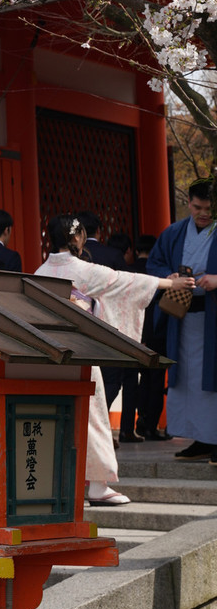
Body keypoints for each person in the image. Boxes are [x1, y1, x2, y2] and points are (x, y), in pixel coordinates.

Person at [37, 215, 187, 505]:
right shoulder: (82, 269)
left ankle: (56, 486)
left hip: (49, 356)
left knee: (56, 417)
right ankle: (97, 485)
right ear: (76, 237)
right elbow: (125, 282)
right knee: (92, 417)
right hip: (79, 354)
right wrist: (168, 282)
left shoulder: (41, 270)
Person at [146, 181, 217, 461]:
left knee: (211, 377)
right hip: (183, 317)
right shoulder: (174, 233)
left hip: (212, 317)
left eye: (209, 209)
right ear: (189, 202)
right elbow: (155, 264)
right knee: (187, 379)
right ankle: (201, 438)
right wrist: (170, 278)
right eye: (197, 207)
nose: (203, 213)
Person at [125, 234, 169, 441]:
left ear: (136, 251)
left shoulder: (129, 271)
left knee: (140, 380)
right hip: (157, 331)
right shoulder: (161, 274)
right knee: (156, 379)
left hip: (135, 330)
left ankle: (140, 421)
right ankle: (151, 425)